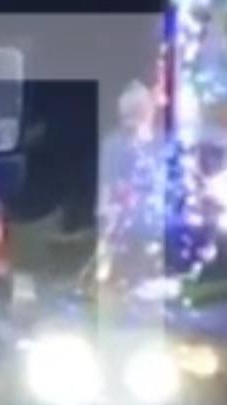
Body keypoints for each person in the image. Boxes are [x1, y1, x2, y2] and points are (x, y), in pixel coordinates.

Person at [98, 80, 165, 290]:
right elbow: (108, 188)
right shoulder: (114, 145)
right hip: (127, 230)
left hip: (151, 229)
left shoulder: (161, 145)